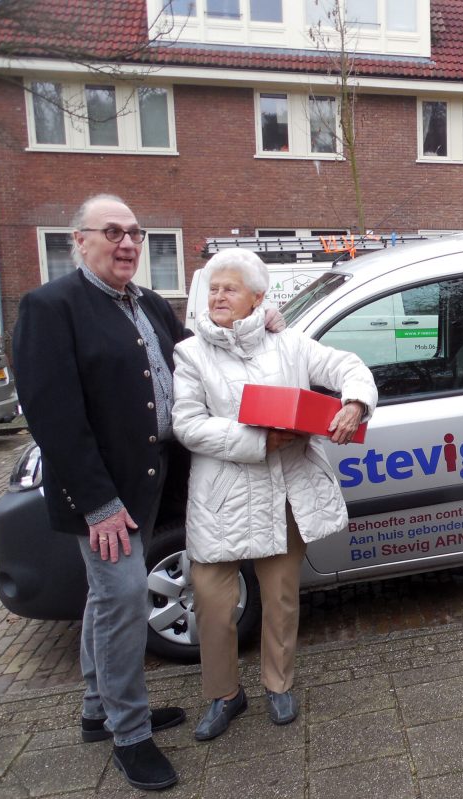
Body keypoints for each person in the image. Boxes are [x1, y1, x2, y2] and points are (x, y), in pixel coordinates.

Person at [13, 195, 188, 791]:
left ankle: (97, 709)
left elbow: (193, 357)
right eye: (112, 232)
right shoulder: (50, 306)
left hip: (152, 481)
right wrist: (99, 503)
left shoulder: (153, 305)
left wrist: (259, 320)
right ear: (78, 241)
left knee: (104, 599)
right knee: (124, 598)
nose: (128, 243)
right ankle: (130, 734)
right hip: (104, 497)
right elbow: (52, 415)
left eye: (136, 232)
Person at [172, 249, 377, 740]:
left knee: (281, 598)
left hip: (285, 493)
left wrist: (355, 403)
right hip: (221, 497)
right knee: (213, 602)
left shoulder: (289, 344)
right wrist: (257, 441)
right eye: (213, 288)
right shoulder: (191, 353)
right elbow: (187, 424)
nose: (218, 296)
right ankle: (225, 694)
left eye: (230, 289)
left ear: (257, 298)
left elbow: (348, 364)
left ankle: (278, 683)